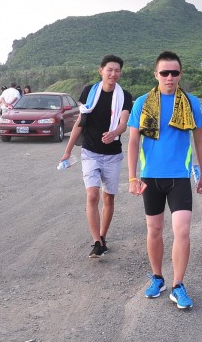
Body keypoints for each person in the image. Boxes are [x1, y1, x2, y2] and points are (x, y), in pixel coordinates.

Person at [127, 51, 202, 310]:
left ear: (180, 74)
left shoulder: (191, 102)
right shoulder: (142, 102)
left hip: (179, 177)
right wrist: (132, 176)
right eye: (165, 73)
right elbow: (132, 141)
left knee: (182, 230)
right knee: (154, 230)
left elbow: (200, 140)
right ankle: (158, 277)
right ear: (156, 75)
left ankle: (178, 284)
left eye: (174, 72)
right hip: (150, 177)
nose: (170, 77)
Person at [60, 54, 133, 259]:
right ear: (101, 70)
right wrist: (67, 150)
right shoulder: (89, 92)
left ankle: (103, 236)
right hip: (90, 152)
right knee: (92, 195)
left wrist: (115, 133)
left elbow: (123, 123)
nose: (113, 73)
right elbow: (80, 122)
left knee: (107, 197)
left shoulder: (124, 96)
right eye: (109, 69)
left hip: (112, 155)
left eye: (117, 70)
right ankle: (96, 241)